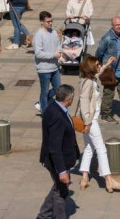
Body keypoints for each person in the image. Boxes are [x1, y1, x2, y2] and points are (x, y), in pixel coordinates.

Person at [76, 55, 120, 193]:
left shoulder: (89, 79)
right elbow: (84, 101)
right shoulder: (88, 83)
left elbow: (98, 73)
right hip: (90, 121)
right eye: (97, 65)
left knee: (88, 148)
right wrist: (87, 122)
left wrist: (106, 64)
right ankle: (109, 181)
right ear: (91, 68)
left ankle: (84, 178)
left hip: (89, 120)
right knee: (101, 149)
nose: (99, 66)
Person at [38, 85, 81, 219]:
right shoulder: (57, 115)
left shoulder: (54, 107)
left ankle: (43, 216)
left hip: (59, 159)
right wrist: (62, 170)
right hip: (58, 161)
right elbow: (55, 147)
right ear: (68, 99)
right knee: (61, 193)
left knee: (58, 188)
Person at [34, 11, 63, 114]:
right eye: (48, 21)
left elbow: (58, 45)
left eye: (51, 21)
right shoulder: (39, 35)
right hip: (44, 69)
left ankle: (41, 103)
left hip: (55, 67)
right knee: (45, 91)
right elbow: (38, 53)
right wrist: (53, 55)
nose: (50, 23)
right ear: (41, 22)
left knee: (58, 89)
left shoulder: (53, 32)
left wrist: (59, 53)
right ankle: (45, 112)